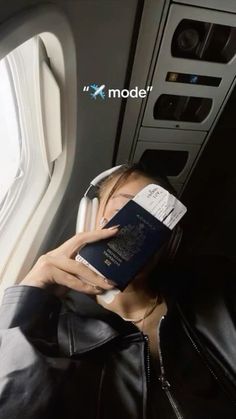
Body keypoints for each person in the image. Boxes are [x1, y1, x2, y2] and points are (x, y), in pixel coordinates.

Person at [0, 162, 235, 419]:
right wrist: (29, 301)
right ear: (88, 221)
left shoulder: (216, 289)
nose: (142, 230)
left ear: (170, 242)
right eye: (125, 209)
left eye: (158, 219)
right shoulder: (56, 332)